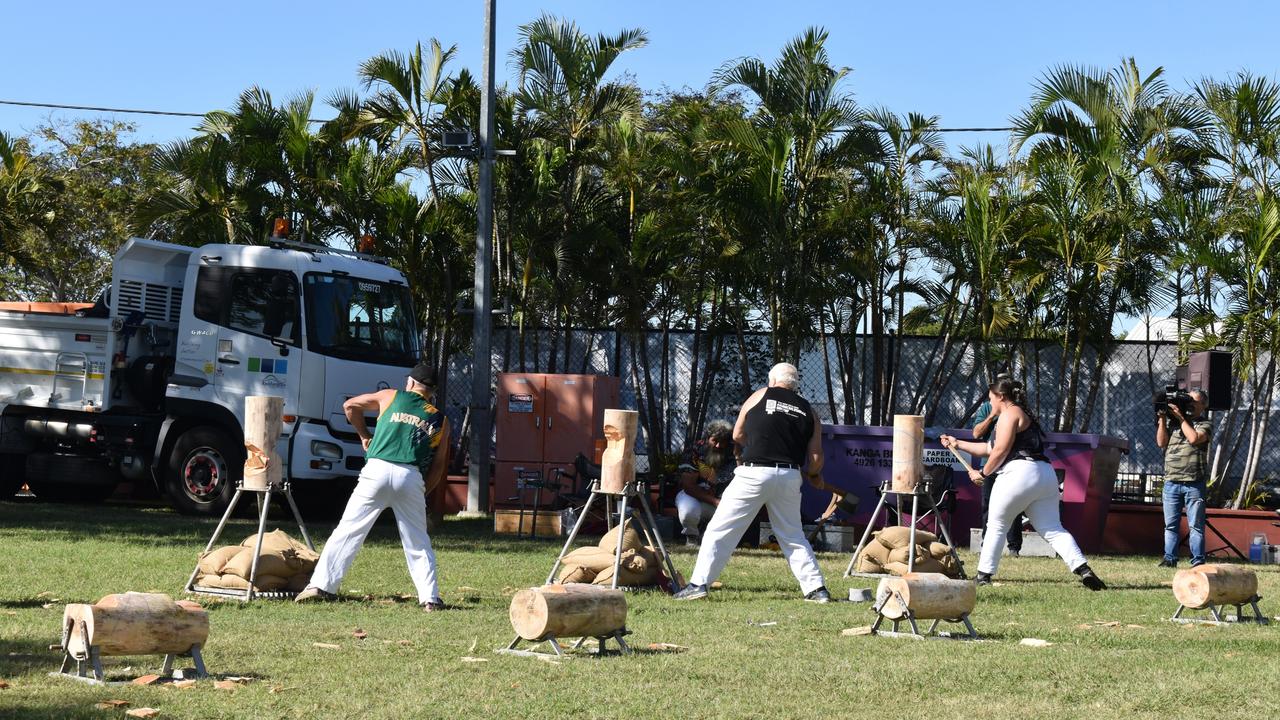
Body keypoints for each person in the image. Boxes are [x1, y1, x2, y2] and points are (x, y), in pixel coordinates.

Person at [296, 362, 451, 610]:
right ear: (431, 392)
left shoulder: (390, 396)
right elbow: (439, 466)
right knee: (417, 540)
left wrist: (364, 435)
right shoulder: (440, 420)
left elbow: (350, 406)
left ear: (410, 383)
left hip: (376, 470)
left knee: (349, 530)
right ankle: (430, 598)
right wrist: (421, 493)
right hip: (411, 476)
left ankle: (321, 586)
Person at [674, 363, 831, 603]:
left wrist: (757, 442)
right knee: (792, 534)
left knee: (721, 529)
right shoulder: (810, 411)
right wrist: (814, 475)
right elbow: (816, 457)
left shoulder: (760, 395)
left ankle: (698, 584)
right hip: (789, 476)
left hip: (754, 473)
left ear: (772, 380)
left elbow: (737, 434)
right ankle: (816, 590)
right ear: (795, 384)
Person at [940, 377, 1105, 590]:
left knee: (997, 525)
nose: (990, 404)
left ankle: (983, 576)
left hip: (1018, 473)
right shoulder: (1018, 414)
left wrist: (983, 472)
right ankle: (1083, 569)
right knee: (1052, 528)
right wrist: (958, 443)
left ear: (1001, 397)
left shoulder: (1009, 414)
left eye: (991, 399)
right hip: (1044, 475)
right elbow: (990, 449)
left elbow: (1000, 451)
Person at [1155, 389, 1210, 568]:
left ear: (1203, 405)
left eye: (1194, 401)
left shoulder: (1204, 423)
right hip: (1171, 481)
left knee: (1196, 526)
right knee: (1170, 525)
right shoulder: (1173, 423)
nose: (1190, 404)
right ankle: (1170, 558)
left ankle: (1198, 561)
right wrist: (1162, 418)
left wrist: (1181, 418)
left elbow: (1194, 438)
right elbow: (1161, 443)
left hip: (1194, 483)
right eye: (1188, 401)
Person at [972, 374, 1023, 557]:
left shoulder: (1015, 410)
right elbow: (977, 434)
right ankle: (987, 544)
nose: (989, 398)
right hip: (990, 463)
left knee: (1013, 505)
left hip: (1011, 467)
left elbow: (1002, 447)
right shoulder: (987, 408)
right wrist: (992, 415)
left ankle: (1014, 547)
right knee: (988, 504)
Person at [673, 420, 736, 545]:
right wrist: (715, 501)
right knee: (688, 511)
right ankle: (692, 537)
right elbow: (688, 486)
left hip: (722, 498)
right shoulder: (694, 450)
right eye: (715, 440)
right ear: (707, 438)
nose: (718, 445)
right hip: (695, 496)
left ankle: (715, 539)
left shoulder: (734, 452)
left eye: (722, 441)